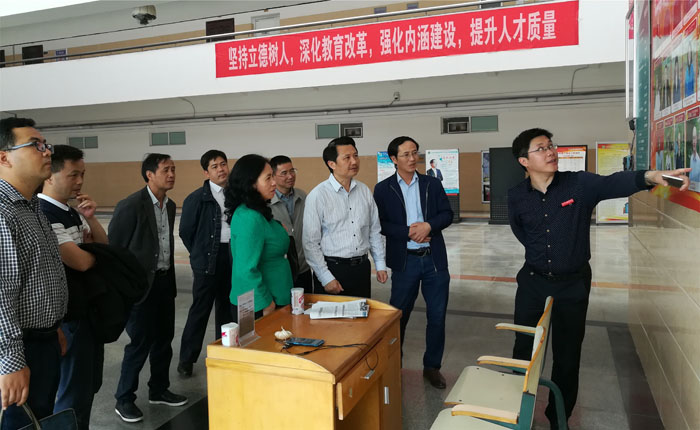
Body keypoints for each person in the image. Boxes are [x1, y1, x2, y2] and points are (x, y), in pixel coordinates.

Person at [507, 128, 691, 429]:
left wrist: (653, 177)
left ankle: (558, 419)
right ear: (524, 161)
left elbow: (614, 182)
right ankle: (515, 410)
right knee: (523, 349)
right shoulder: (516, 195)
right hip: (533, 282)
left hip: (572, 285)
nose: (551, 152)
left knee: (567, 357)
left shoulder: (579, 184)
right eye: (541, 148)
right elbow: (521, 232)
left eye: (551, 146)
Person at [0, 118, 68, 429]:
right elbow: (2, 293)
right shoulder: (3, 212)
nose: (47, 151)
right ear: (4, 157)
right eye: (36, 146)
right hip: (19, 346)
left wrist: (53, 326)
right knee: (21, 423)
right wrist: (11, 360)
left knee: (39, 418)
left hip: (42, 339)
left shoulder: (31, 206)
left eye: (46, 145)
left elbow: (38, 275)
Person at [109, 153, 187, 423]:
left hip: (164, 282)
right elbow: (115, 249)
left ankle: (158, 389)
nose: (172, 174)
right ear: (149, 175)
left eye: (173, 169)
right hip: (140, 287)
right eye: (166, 170)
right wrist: (123, 289)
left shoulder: (170, 205)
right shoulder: (131, 205)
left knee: (164, 339)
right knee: (139, 343)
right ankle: (124, 398)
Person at [373, 136, 453, 389]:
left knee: (437, 317)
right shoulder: (383, 189)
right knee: (398, 316)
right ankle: (394, 365)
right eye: (405, 154)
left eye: (415, 153)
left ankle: (432, 367)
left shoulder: (432, 184)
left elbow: (447, 214)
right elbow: (380, 224)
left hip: (434, 261)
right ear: (394, 159)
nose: (412, 158)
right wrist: (408, 232)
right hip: (405, 261)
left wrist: (429, 225)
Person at [38, 145, 108, 430]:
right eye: (73, 175)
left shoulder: (72, 212)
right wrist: (92, 254)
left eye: (83, 174)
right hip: (69, 317)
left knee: (88, 386)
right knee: (72, 393)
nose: (80, 181)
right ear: (49, 175)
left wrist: (90, 217)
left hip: (88, 310)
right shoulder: (44, 213)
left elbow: (103, 247)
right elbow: (81, 262)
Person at [303, 137, 388, 298]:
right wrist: (326, 278)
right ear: (332, 164)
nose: (354, 161)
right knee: (331, 315)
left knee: (361, 313)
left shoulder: (364, 191)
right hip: (333, 269)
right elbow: (310, 242)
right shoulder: (318, 195)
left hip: (361, 268)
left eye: (355, 156)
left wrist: (380, 264)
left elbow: (374, 231)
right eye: (347, 158)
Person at [177, 150, 233, 378]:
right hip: (207, 261)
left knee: (227, 310)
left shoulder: (235, 194)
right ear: (206, 172)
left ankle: (223, 353)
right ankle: (186, 359)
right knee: (200, 311)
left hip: (232, 257)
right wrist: (199, 254)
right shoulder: (196, 198)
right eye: (214, 166)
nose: (221, 169)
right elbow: (185, 232)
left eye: (223, 164)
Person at [225, 154, 293, 319]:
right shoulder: (248, 217)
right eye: (268, 178)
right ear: (251, 183)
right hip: (259, 306)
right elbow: (246, 269)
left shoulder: (257, 211)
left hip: (275, 298)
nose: (274, 182)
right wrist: (266, 303)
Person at [269, 155, 312, 292]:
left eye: (292, 171)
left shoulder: (302, 196)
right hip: (281, 270)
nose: (290, 176)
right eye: (284, 173)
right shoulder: (267, 202)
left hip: (303, 267)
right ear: (273, 176)